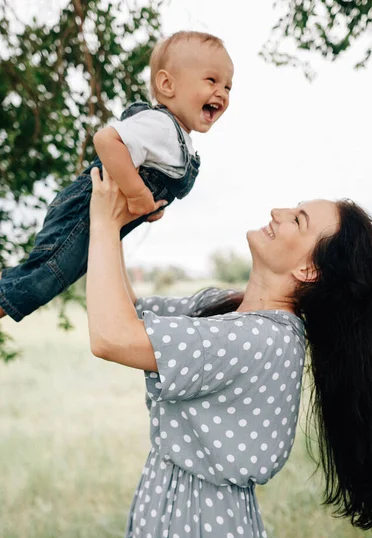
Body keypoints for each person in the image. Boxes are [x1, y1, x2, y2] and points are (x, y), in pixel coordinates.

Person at [86, 167, 372, 538]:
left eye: (298, 220)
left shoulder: (263, 339)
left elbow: (111, 337)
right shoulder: (229, 308)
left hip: (199, 531)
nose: (278, 212)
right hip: (171, 509)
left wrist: (102, 222)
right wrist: (118, 225)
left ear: (309, 269)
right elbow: (130, 316)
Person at [0, 30, 233, 322]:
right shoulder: (160, 125)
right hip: (81, 213)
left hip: (97, 218)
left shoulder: (178, 138)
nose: (222, 92)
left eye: (228, 86)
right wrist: (137, 194)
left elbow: (139, 173)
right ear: (166, 84)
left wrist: (150, 204)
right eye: (212, 80)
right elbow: (106, 140)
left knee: (41, 275)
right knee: (41, 281)